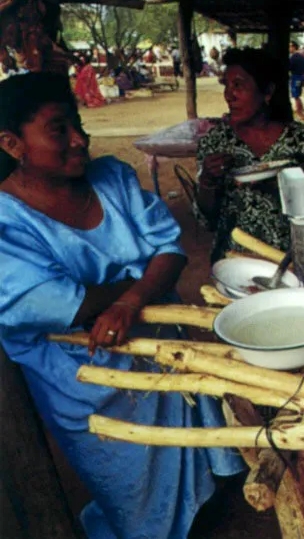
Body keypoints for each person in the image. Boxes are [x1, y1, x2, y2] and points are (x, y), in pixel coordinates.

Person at [0, 72, 244, 537]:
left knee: (190, 458)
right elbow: (66, 307)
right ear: (12, 144)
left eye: (78, 124)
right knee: (127, 487)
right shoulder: (7, 222)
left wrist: (130, 300)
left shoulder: (111, 177)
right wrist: (141, 279)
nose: (79, 139)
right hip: (86, 380)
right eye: (58, 130)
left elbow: (171, 250)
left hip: (162, 353)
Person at [194, 47, 304, 262]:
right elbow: (206, 220)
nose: (229, 95)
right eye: (226, 86)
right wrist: (208, 182)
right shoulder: (215, 142)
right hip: (234, 262)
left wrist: (283, 188)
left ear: (267, 92)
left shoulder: (301, 140)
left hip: (296, 260)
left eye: (238, 85)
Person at [289, 40, 304, 120]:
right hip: (301, 77)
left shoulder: (294, 57)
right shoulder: (302, 56)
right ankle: (301, 110)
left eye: (290, 46)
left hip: (295, 77)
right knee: (297, 95)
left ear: (293, 47)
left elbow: (289, 67)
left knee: (296, 96)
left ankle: (299, 112)